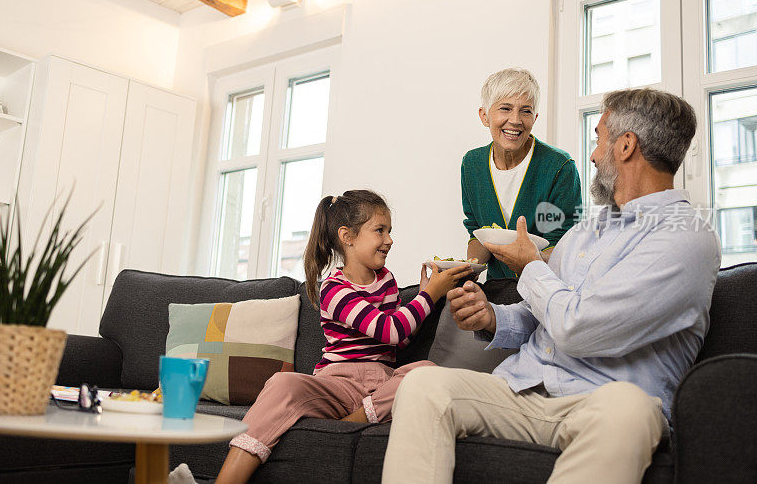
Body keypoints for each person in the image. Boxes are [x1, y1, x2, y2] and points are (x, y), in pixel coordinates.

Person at [382, 88, 721, 484]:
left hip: (604, 401)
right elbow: (539, 313)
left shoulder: (685, 239)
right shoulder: (589, 229)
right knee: (424, 386)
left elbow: (578, 328)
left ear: (626, 145)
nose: (593, 156)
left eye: (599, 139)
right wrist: (491, 317)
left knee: (630, 409)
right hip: (524, 390)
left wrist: (530, 266)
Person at [213, 189, 473, 484]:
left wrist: (426, 297)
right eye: (379, 230)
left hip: (381, 383)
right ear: (347, 236)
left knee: (426, 373)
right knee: (283, 383)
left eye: (390, 231)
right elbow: (389, 329)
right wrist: (429, 295)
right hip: (337, 384)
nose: (389, 240)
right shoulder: (334, 289)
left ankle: (346, 425)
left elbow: (398, 341)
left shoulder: (387, 281)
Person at [463, 68, 582, 279]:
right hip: (495, 290)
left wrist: (526, 264)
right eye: (505, 108)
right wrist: (466, 272)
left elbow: (561, 244)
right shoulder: (472, 164)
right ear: (484, 116)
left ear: (535, 118)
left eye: (525, 111)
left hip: (544, 288)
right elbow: (476, 231)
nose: (516, 120)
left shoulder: (560, 167)